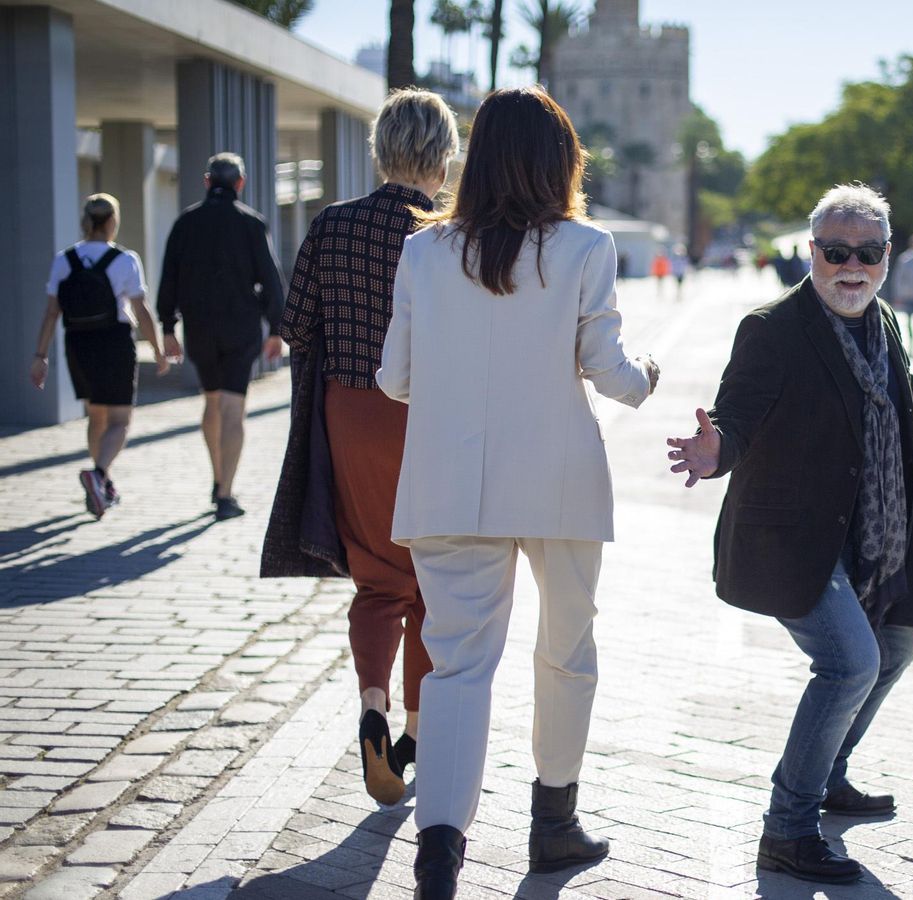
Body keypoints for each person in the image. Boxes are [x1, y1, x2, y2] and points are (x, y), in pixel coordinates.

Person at [665, 184, 913, 884]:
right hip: (790, 540)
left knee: (895, 645)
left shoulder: (884, 321)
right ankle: (788, 828)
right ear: (813, 253)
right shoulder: (773, 327)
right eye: (836, 253)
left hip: (861, 536)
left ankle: (827, 772)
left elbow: (910, 408)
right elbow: (737, 410)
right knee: (849, 663)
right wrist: (718, 449)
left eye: (867, 253)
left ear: (887, 257)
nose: (851, 267)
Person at [377, 88, 659, 898]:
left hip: (448, 484)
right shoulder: (584, 246)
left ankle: (439, 858)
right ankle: (553, 823)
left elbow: (396, 381)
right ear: (560, 161)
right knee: (566, 651)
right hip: (559, 479)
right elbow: (609, 372)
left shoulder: (424, 252)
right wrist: (648, 379)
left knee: (457, 668)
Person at [275, 89, 459, 807]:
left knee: (379, 579)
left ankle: (374, 711)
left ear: (381, 151)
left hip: (350, 410)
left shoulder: (332, 224)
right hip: (430, 417)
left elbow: (297, 325)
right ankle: (417, 733)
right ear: (441, 158)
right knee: (432, 583)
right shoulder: (449, 237)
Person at [156, 152, 286, 521]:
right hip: (240, 328)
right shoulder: (252, 224)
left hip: (199, 328)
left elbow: (169, 278)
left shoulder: (186, 223)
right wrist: (277, 329)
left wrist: (167, 327)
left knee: (212, 402)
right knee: (233, 408)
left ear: (207, 181)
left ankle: (217, 477)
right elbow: (272, 280)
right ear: (240, 183)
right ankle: (226, 493)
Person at [28, 194, 169, 518]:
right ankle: (99, 474)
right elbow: (140, 308)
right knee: (120, 420)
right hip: (115, 343)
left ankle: (101, 485)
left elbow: (52, 312)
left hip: (78, 344)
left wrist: (40, 355)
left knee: (97, 416)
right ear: (112, 222)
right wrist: (158, 349)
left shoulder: (64, 259)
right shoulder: (124, 259)